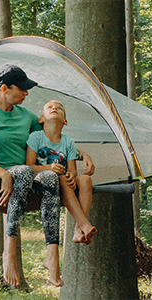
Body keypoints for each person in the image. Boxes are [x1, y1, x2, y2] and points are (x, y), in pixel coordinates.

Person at [0, 65, 92, 287]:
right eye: (23, 89)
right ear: (4, 88)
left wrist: (82, 154)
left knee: (49, 177)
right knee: (25, 170)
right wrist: (4, 175)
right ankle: (9, 252)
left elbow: (54, 137)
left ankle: (52, 256)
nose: (27, 93)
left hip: (28, 176)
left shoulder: (27, 117)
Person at [26, 100, 97, 247]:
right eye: (49, 107)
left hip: (64, 181)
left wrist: (72, 175)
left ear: (65, 121)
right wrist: (48, 168)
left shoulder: (68, 142)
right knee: (63, 179)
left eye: (59, 107)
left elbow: (72, 169)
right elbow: (29, 166)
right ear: (41, 119)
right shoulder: (36, 137)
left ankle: (79, 229)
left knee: (85, 180)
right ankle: (84, 224)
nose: (54, 108)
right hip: (42, 182)